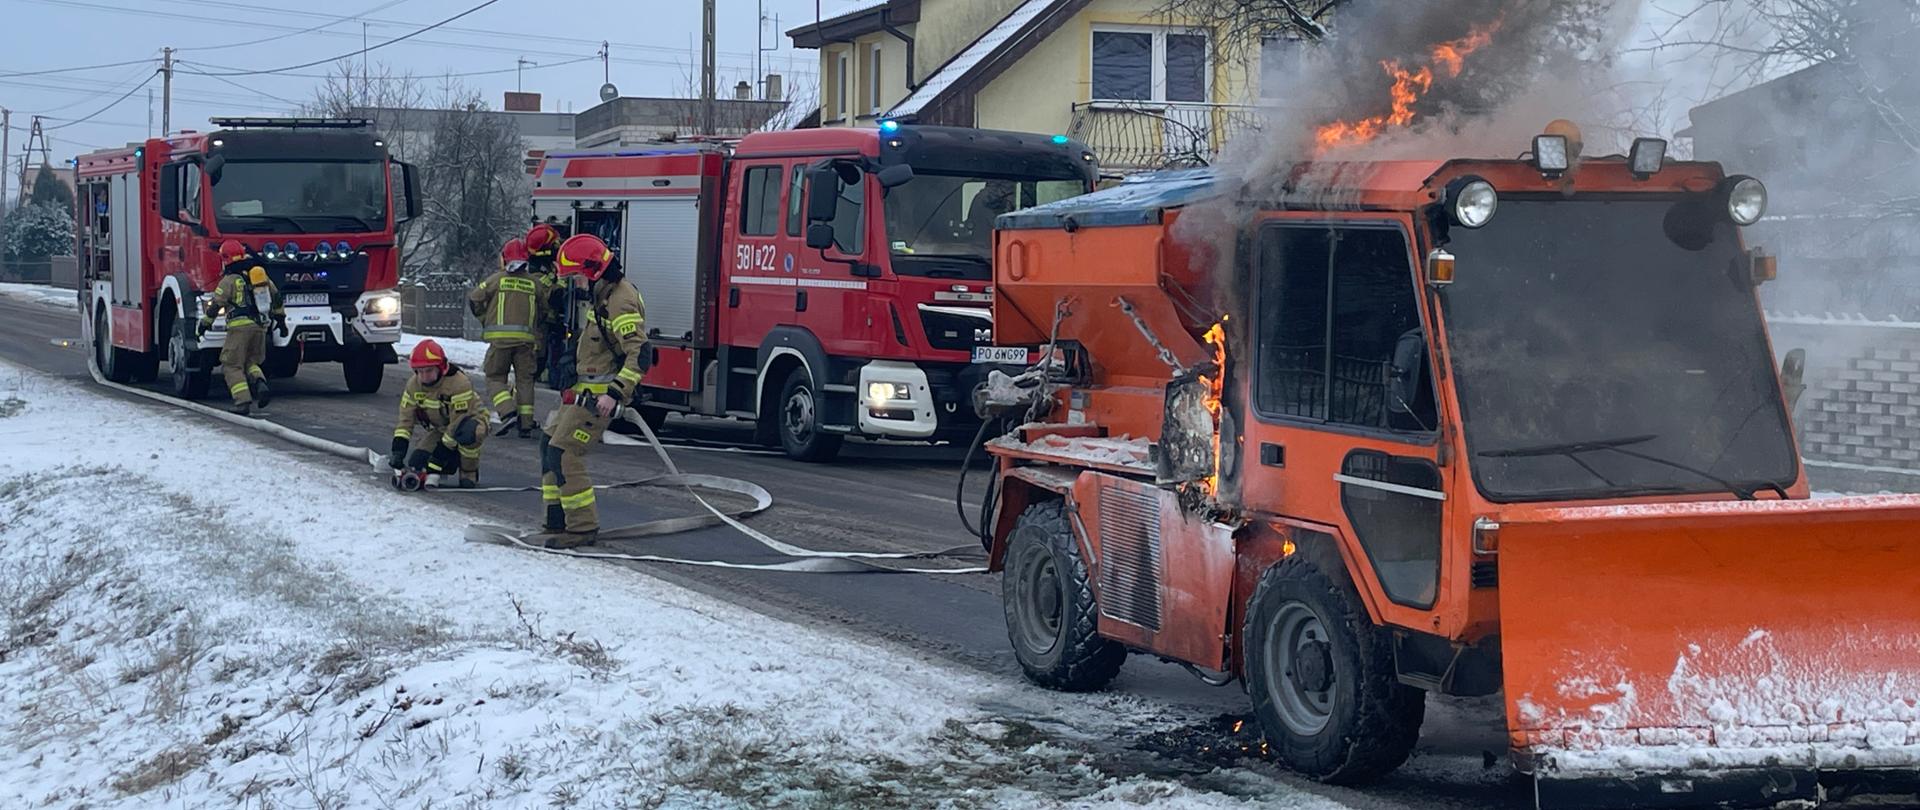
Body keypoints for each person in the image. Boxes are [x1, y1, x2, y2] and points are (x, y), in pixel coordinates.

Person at [534, 234, 646, 549]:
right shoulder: (601, 296)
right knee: (548, 446)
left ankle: (582, 528)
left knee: (566, 453)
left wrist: (615, 393)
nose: (576, 285)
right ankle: (556, 521)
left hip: (599, 399)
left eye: (577, 277)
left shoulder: (620, 299)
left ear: (592, 270)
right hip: (582, 392)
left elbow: (640, 354)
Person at [468, 238, 550, 437]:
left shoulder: (496, 279)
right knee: (525, 381)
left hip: (500, 342)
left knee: (495, 377)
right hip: (526, 343)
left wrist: (484, 319)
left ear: (505, 259)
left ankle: (507, 413)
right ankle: (526, 424)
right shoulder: (535, 283)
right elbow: (544, 311)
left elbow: (474, 298)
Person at [197, 240, 284, 416]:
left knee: (231, 364)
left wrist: (204, 324)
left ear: (225, 258)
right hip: (260, 326)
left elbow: (216, 305)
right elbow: (276, 295)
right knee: (251, 362)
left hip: (239, 328)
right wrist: (281, 319)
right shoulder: (258, 275)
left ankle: (242, 402)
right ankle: (260, 383)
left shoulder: (228, 280)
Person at [390, 339, 489, 489]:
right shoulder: (413, 385)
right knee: (417, 463)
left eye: (429, 370)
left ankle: (468, 472)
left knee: (470, 433)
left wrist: (439, 457)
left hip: (468, 422)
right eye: (419, 371)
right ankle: (448, 465)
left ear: (441, 368)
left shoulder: (459, 383)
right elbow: (405, 420)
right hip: (442, 428)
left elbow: (457, 424)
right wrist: (398, 449)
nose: (424, 376)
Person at [524, 223, 569, 388]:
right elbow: (555, 296)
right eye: (555, 244)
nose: (558, 246)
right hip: (540, 330)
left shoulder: (543, 267)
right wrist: (564, 279)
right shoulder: (536, 274)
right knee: (533, 370)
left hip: (546, 328)